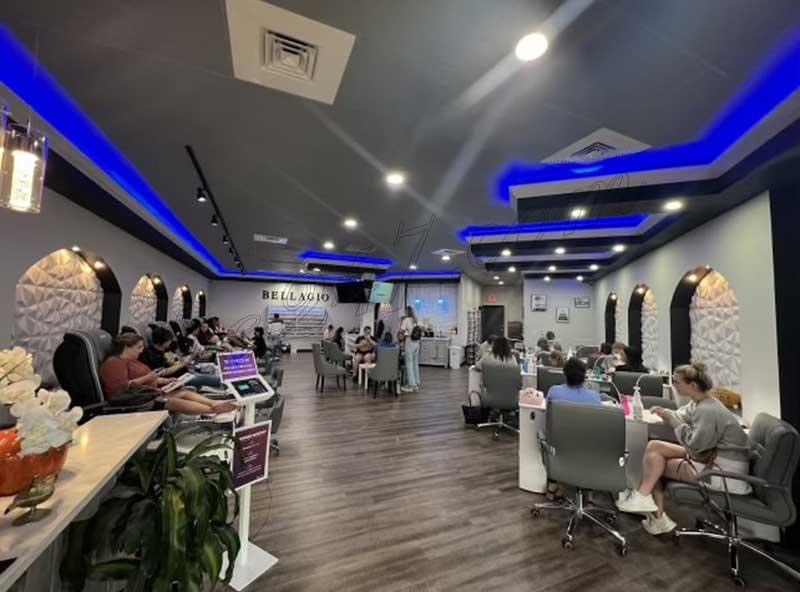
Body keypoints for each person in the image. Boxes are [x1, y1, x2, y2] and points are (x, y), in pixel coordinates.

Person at [616, 363, 751, 535]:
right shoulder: (700, 403)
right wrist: (665, 413)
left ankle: (654, 512)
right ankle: (648, 505)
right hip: (709, 457)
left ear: (692, 385)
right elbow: (681, 415)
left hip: (720, 471)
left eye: (676, 381)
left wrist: (673, 421)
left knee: (653, 464)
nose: (673, 384)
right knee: (654, 447)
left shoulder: (708, 410)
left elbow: (695, 446)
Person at [99, 332, 235, 416]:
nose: (141, 351)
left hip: (149, 393)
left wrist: (166, 381)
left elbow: (151, 378)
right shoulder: (114, 363)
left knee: (185, 392)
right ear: (126, 347)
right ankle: (213, 410)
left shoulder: (133, 361)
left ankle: (214, 403)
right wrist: (148, 377)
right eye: (138, 347)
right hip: (135, 400)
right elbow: (120, 388)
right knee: (174, 402)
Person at [139, 326, 222, 390]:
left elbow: (174, 361)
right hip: (178, 379)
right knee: (217, 380)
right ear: (163, 341)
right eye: (169, 340)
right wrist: (183, 363)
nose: (170, 342)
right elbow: (162, 372)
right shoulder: (152, 355)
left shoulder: (165, 349)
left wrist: (187, 359)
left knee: (215, 372)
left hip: (186, 373)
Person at [400, 306, 421, 392]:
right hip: (417, 343)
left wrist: (402, 333)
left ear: (406, 312)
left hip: (410, 343)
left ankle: (411, 385)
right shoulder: (415, 320)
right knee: (415, 363)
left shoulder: (406, 320)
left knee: (409, 363)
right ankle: (416, 382)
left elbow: (401, 331)